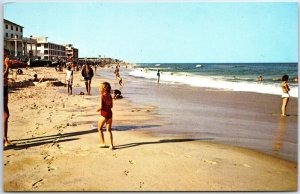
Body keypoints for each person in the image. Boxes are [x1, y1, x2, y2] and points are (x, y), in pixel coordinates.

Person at [96, 82, 114, 149]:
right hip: (110, 113)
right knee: (108, 130)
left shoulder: (102, 96)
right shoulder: (110, 96)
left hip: (104, 114)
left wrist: (97, 109)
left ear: (103, 89)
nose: (99, 89)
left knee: (99, 128)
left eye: (99, 88)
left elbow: (100, 106)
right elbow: (111, 106)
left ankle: (103, 143)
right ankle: (111, 145)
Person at [3, 51, 12, 147]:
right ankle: (5, 139)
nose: (6, 57)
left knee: (6, 114)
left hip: (5, 88)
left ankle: (5, 138)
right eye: (5, 55)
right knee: (6, 114)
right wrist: (7, 66)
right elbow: (3, 76)